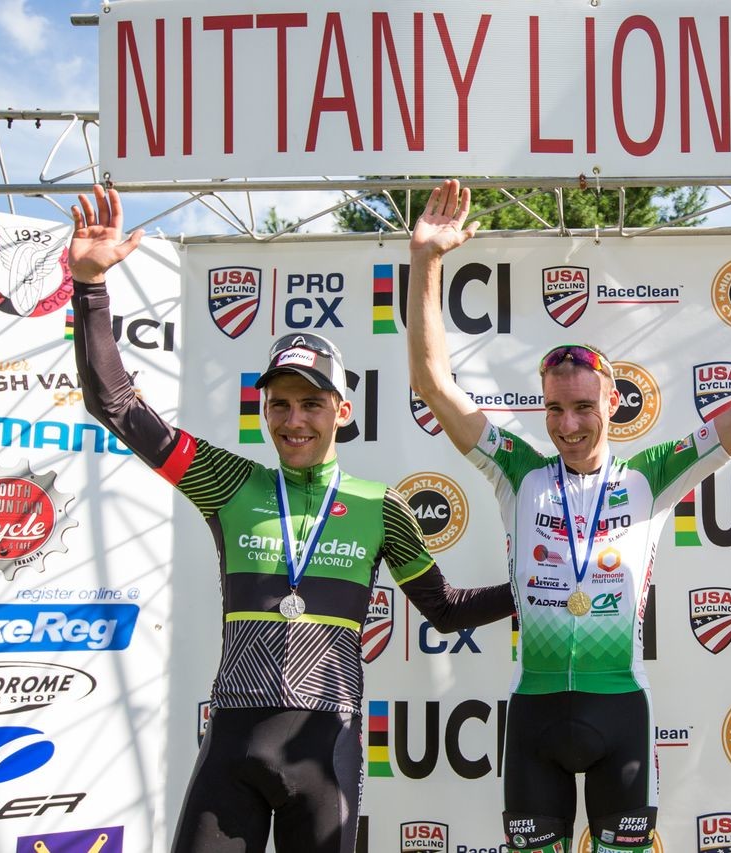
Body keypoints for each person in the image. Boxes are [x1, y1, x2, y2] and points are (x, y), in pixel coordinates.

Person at [68, 185, 514, 853]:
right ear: (263, 410)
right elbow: (116, 403)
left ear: (341, 410)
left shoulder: (380, 504)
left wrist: (536, 589)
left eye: (311, 403)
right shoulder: (227, 481)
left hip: (324, 750)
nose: (293, 419)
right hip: (233, 744)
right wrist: (91, 286)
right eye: (279, 403)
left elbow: (445, 609)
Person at [406, 180, 731, 853]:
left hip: (621, 713)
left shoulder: (649, 477)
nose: (569, 424)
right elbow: (433, 384)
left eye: (584, 406)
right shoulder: (518, 472)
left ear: (613, 402)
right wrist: (427, 262)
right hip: (532, 718)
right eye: (555, 409)